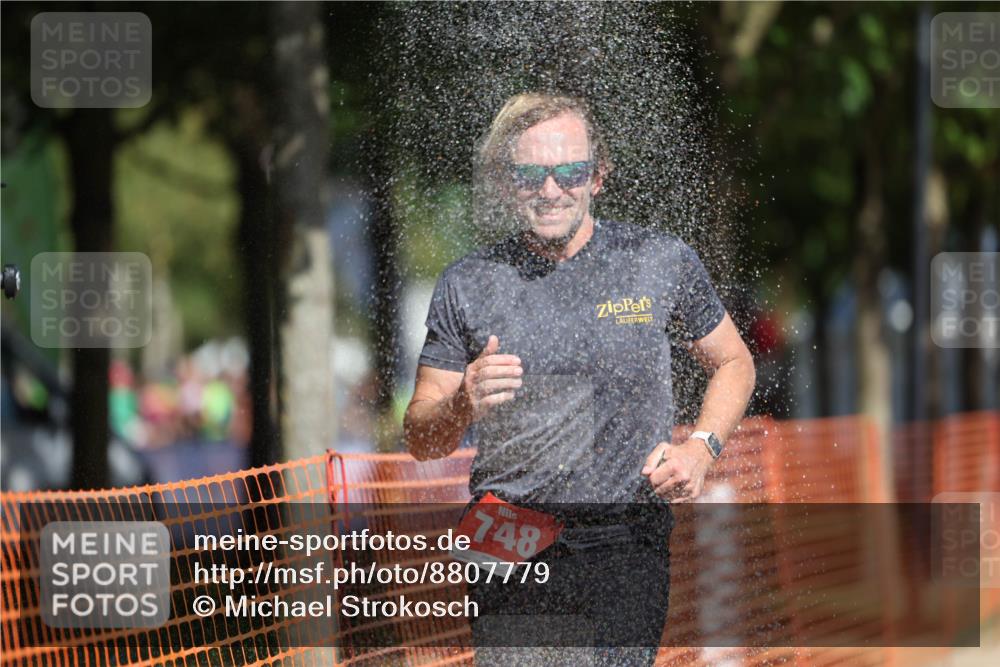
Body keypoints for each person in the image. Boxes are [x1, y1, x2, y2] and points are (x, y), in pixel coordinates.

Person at [403, 92, 756, 666]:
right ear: (503, 182)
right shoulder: (468, 283)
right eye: (531, 175)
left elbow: (734, 362)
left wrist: (701, 449)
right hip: (506, 530)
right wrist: (462, 401)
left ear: (598, 176)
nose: (550, 190)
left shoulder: (657, 260)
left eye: (570, 171)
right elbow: (421, 438)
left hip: (624, 534)